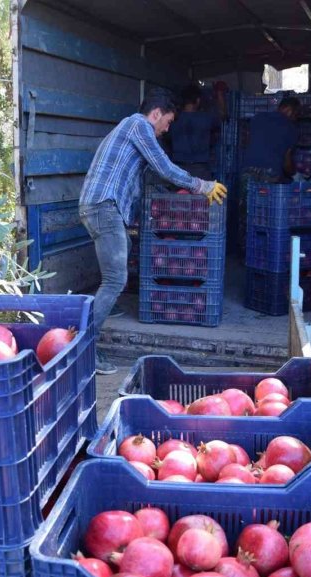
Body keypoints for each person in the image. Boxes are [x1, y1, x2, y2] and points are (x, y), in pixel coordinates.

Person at [79, 91, 227, 375]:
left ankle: (100, 311)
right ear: (156, 114)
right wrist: (202, 186)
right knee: (115, 279)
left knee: (121, 264)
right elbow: (163, 166)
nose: (167, 129)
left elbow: (144, 177)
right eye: (168, 122)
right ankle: (85, 348)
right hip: (103, 207)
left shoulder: (130, 131)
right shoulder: (138, 125)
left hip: (103, 207)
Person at [238, 96, 302, 245]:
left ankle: (245, 253)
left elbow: (247, 143)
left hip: (248, 170)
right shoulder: (291, 129)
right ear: (289, 109)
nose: (296, 117)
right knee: (266, 214)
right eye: (296, 113)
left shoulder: (257, 118)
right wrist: (295, 174)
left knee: (246, 213)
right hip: (271, 174)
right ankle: (264, 251)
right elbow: (287, 163)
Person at [170, 84, 221, 179]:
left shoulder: (173, 118)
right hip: (200, 170)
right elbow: (223, 117)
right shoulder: (206, 118)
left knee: (178, 194)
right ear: (198, 100)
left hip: (178, 169)